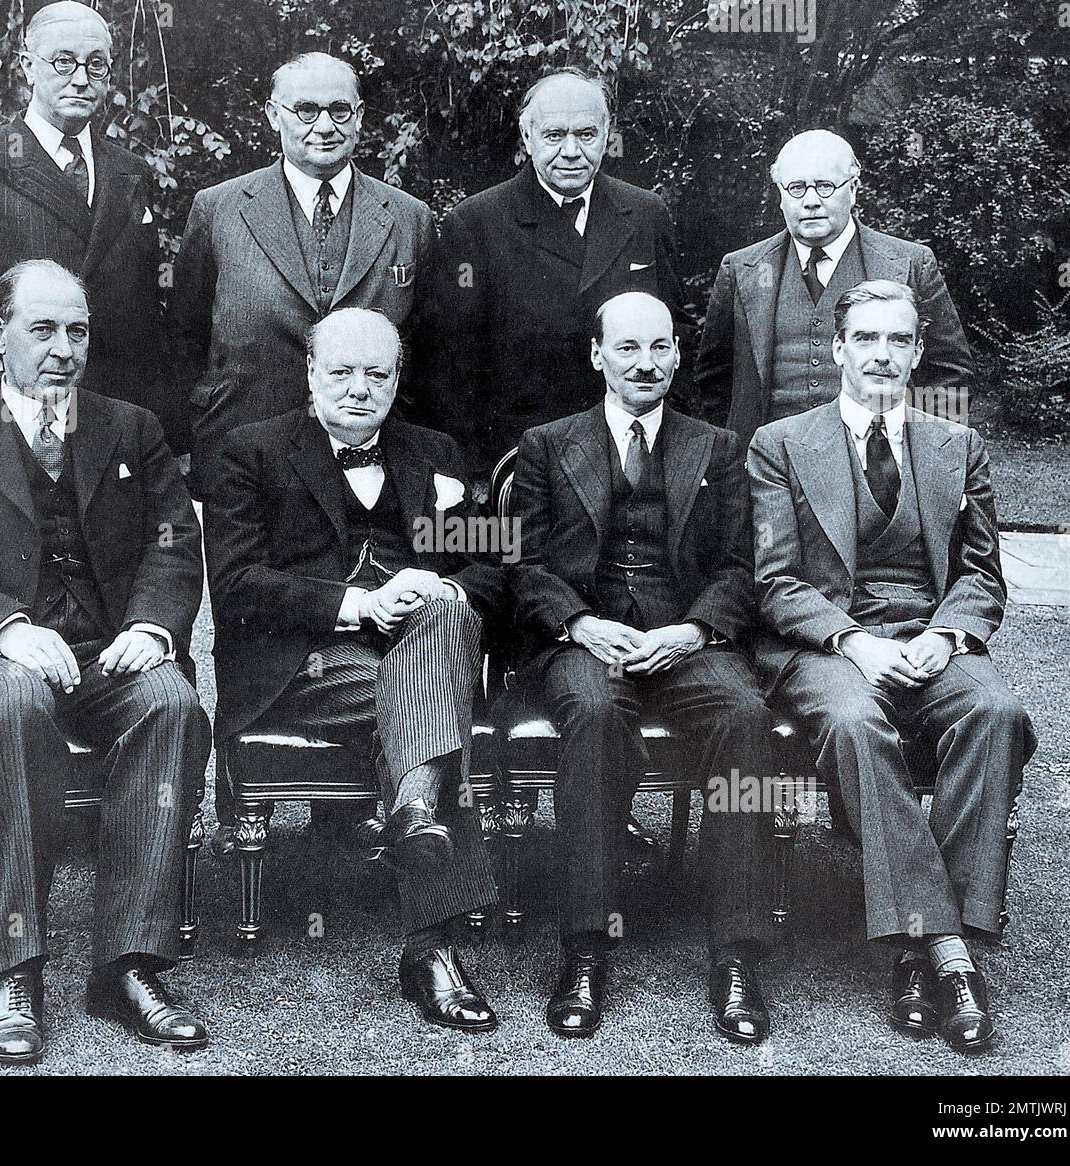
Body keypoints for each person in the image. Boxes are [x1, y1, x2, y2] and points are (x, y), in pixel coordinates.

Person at [0, 260, 211, 1065]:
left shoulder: (130, 427)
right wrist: (6, 626)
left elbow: (175, 540)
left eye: (78, 330)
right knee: (16, 701)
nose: (63, 350)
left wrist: (153, 627)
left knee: (169, 702)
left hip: (105, 650)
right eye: (43, 329)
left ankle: (129, 966)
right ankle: (18, 971)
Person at [747, 279, 1036, 1053]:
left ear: (916, 353)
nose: (882, 354)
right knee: (852, 720)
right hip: (828, 644)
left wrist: (946, 636)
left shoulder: (957, 445)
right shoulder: (780, 445)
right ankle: (947, 953)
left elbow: (981, 574)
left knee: (995, 712)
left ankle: (920, 954)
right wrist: (857, 643)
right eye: (866, 339)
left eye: (898, 341)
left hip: (929, 634)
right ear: (839, 349)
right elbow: (775, 582)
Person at [203, 307, 504, 1034]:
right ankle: (428, 932)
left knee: (449, 620)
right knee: (426, 707)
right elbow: (239, 586)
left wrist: (447, 589)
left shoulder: (434, 452)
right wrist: (359, 606)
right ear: (309, 373)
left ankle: (414, 825)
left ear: (399, 378)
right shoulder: (251, 451)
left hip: (422, 645)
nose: (359, 388)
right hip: (305, 663)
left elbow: (490, 564)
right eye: (341, 371)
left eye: (377, 373)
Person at [509, 291, 775, 1041]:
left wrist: (693, 631)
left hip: (683, 639)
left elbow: (739, 567)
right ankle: (586, 948)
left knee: (746, 716)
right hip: (584, 642)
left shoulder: (717, 447)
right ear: (597, 356)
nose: (645, 363)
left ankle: (737, 953)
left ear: (678, 355)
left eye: (660, 347)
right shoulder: (546, 445)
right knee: (594, 714)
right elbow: (522, 565)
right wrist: (581, 623)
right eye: (627, 348)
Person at [0, 2, 182, 449]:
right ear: (28, 66)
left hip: (117, 429)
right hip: (14, 420)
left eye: (96, 64)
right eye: (63, 61)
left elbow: (146, 309)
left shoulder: (131, 172)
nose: (81, 78)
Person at [170, 52, 434, 495]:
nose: (325, 126)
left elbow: (427, 350)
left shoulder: (410, 218)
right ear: (274, 115)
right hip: (241, 455)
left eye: (339, 110)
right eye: (306, 110)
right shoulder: (217, 209)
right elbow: (183, 339)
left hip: (371, 462)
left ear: (360, 117)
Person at [428, 69, 687, 483]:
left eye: (586, 134)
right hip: (522, 460)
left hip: (633, 454)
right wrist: (472, 475)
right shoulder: (476, 223)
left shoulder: (645, 214)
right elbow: (452, 366)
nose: (571, 151)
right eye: (554, 135)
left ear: (607, 135)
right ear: (527, 137)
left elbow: (677, 336)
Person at [695, 129, 972, 448]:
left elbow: (951, 375)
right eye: (796, 188)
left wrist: (922, 452)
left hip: (875, 465)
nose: (811, 201)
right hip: (765, 469)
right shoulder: (741, 268)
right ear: (780, 196)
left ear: (853, 189)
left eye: (825, 187)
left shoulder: (911, 264)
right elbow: (712, 384)